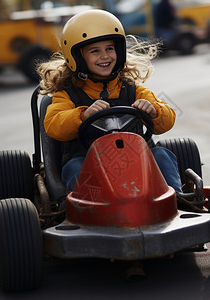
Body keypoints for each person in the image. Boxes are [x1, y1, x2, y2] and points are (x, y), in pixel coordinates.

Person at [38, 9, 182, 193]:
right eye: (95, 51)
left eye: (110, 49)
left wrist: (154, 111)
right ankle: (88, 213)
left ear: (119, 51)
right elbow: (53, 125)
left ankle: (176, 200)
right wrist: (82, 114)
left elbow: (168, 119)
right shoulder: (66, 95)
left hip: (136, 159)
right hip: (87, 161)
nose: (105, 56)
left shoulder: (133, 89)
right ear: (77, 58)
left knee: (161, 154)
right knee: (75, 168)